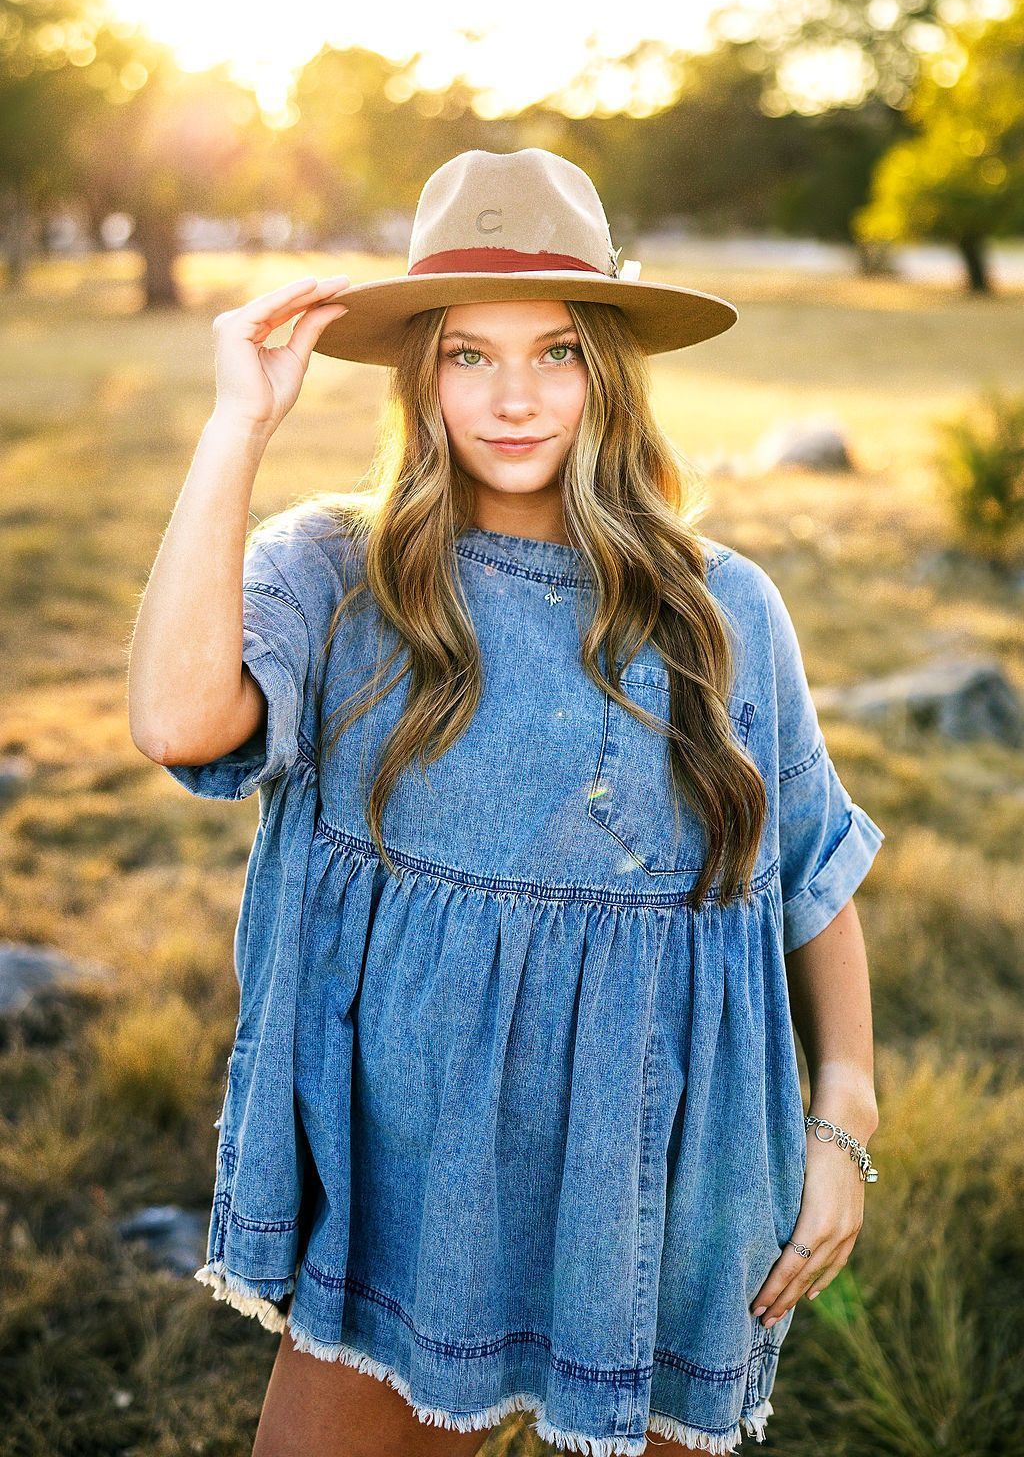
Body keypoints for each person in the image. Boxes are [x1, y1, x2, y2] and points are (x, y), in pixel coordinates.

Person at [128, 148, 885, 1457]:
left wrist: (846, 1117)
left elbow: (805, 881)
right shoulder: (337, 572)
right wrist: (236, 427)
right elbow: (177, 722)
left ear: (610, 367)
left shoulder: (726, 608)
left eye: (555, 351)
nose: (515, 398)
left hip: (666, 1177)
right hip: (418, 1184)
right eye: (470, 355)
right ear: (421, 374)